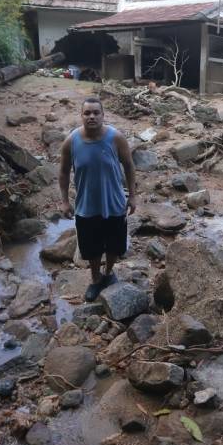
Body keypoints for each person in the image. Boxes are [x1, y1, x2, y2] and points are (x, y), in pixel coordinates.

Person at [58, 97, 137, 301]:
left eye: (96, 112)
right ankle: (95, 279)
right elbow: (64, 172)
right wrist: (65, 201)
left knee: (114, 245)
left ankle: (109, 273)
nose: (91, 116)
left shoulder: (115, 138)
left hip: (114, 204)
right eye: (87, 113)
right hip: (86, 206)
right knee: (91, 247)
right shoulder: (71, 141)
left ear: (103, 115)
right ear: (81, 116)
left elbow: (129, 165)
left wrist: (133, 196)